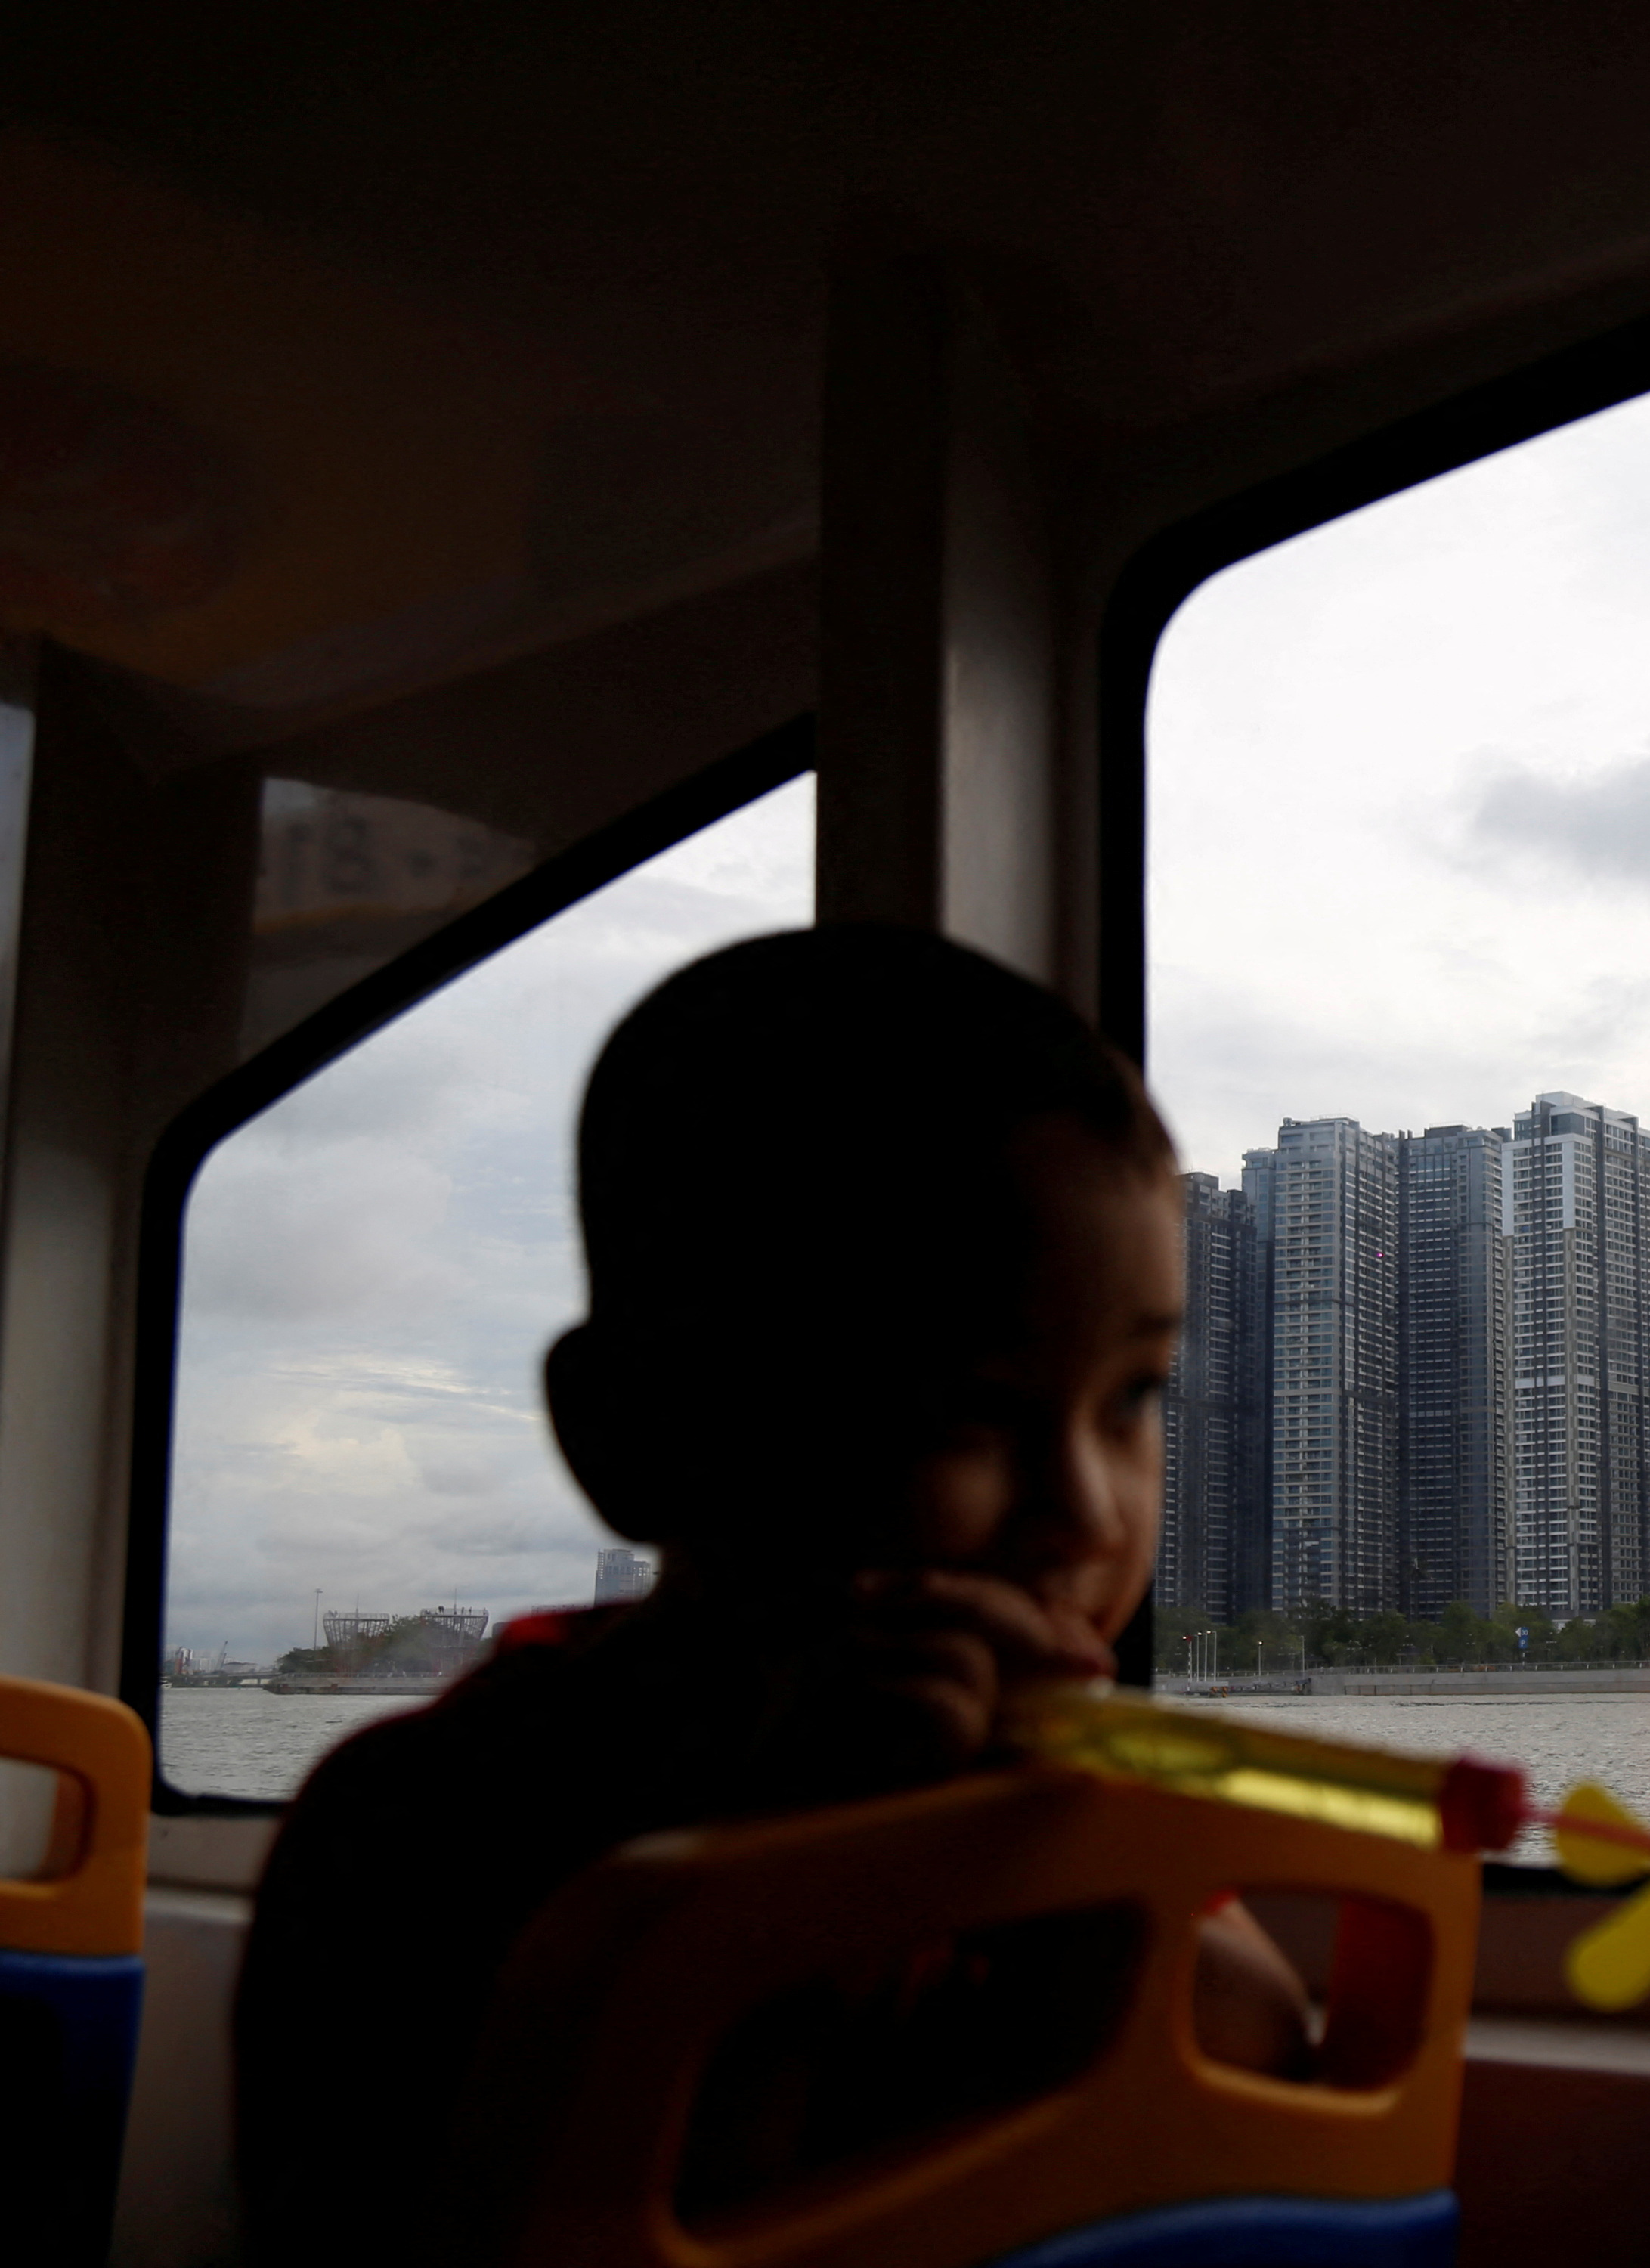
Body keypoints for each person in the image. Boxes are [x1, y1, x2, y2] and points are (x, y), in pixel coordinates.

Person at [234, 925, 1305, 2263]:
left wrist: (1075, 1857)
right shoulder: (425, 1823)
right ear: (633, 1433)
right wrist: (818, 1877)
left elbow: (1271, 2061)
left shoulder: (1048, 1793)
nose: (1087, 1512)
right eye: (967, 1412)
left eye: (1134, 1398)